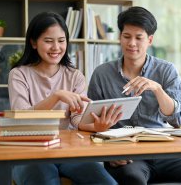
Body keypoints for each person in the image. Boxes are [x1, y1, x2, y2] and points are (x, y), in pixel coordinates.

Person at [86, 6, 181, 185]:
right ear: (120, 38)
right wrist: (109, 153)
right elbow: (88, 124)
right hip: (126, 156)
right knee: (132, 179)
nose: (132, 43)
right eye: (127, 37)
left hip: (165, 152)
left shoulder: (166, 70)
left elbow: (178, 120)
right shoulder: (102, 74)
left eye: (138, 37)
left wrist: (157, 89)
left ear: (150, 40)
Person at [8, 11, 121, 185]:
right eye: (48, 41)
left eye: (61, 41)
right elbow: (22, 118)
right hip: (29, 151)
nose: (56, 47)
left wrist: (95, 126)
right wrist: (56, 97)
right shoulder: (19, 74)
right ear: (33, 43)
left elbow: (77, 119)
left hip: (68, 151)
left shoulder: (75, 76)